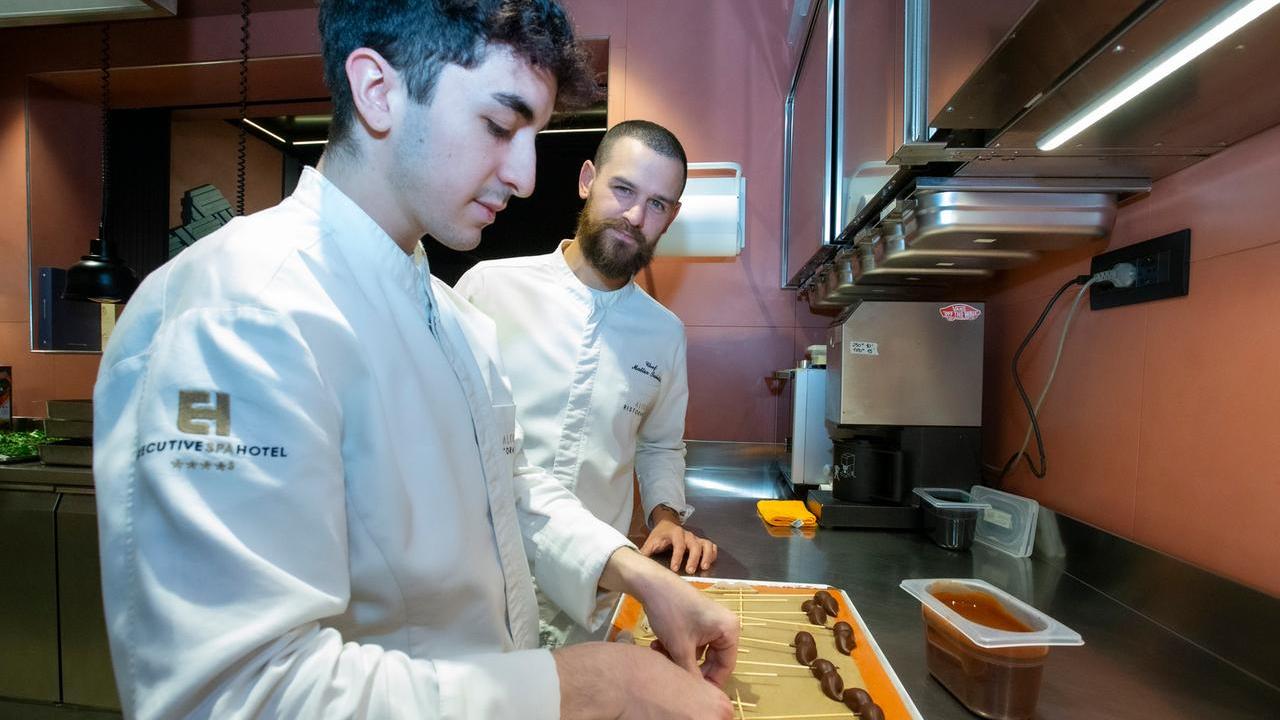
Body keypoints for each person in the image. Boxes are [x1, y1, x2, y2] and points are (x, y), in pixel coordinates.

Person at [91, 2, 737, 719]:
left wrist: (636, 573)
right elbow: (232, 694)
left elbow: (510, 492)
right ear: (378, 90)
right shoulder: (242, 312)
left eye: (535, 135)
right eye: (499, 125)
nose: (526, 175)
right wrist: (590, 689)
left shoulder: (453, 317)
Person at [456, 121, 718, 586]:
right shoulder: (488, 289)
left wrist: (667, 518)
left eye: (656, 203)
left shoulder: (664, 333)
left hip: (595, 583)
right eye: (623, 189)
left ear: (671, 217)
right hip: (479, 575)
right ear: (586, 180)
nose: (636, 216)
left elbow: (659, 444)